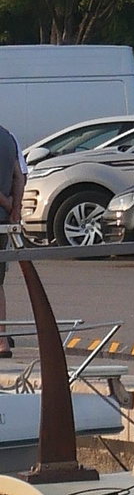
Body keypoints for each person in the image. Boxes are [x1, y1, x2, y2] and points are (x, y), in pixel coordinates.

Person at [0, 116, 23, 359]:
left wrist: (6, 204)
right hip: (3, 222)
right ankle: (2, 341)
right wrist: (14, 209)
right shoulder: (8, 137)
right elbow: (19, 176)